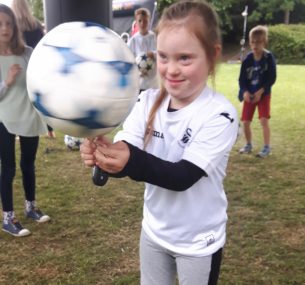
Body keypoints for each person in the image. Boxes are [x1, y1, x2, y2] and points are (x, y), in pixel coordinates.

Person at [80, 1, 238, 284]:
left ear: (212, 56)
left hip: (199, 242)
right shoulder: (148, 100)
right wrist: (105, 156)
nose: (171, 69)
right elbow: (129, 149)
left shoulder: (219, 114)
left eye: (185, 58)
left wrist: (128, 159)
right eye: (164, 57)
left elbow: (182, 176)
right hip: (153, 233)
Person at [0, 4, 50, 237]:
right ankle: (8, 218)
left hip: (28, 115)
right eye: (0, 24)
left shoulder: (28, 53)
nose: (5, 28)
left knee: (28, 165)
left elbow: (40, 82)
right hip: (4, 118)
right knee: (7, 169)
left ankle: (31, 207)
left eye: (9, 23)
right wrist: (7, 82)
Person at [11, 0, 56, 139]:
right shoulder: (35, 24)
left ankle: (17, 131)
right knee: (38, 100)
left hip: (17, 66)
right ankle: (49, 130)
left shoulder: (12, 25)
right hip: (36, 67)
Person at [238, 25, 276, 158]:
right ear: (250, 42)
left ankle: (266, 147)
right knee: (246, 121)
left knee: (264, 120)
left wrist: (261, 91)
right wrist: (245, 92)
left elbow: (272, 77)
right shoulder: (247, 59)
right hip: (250, 94)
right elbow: (242, 79)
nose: (255, 45)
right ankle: (248, 144)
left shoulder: (268, 57)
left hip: (263, 94)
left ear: (264, 42)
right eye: (253, 42)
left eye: (258, 42)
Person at [128, 7, 158, 92]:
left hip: (153, 82)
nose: (142, 23)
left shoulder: (154, 37)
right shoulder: (133, 40)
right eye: (140, 21)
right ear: (136, 22)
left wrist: (153, 54)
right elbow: (129, 58)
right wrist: (139, 68)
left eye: (145, 21)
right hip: (140, 82)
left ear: (148, 21)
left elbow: (161, 53)